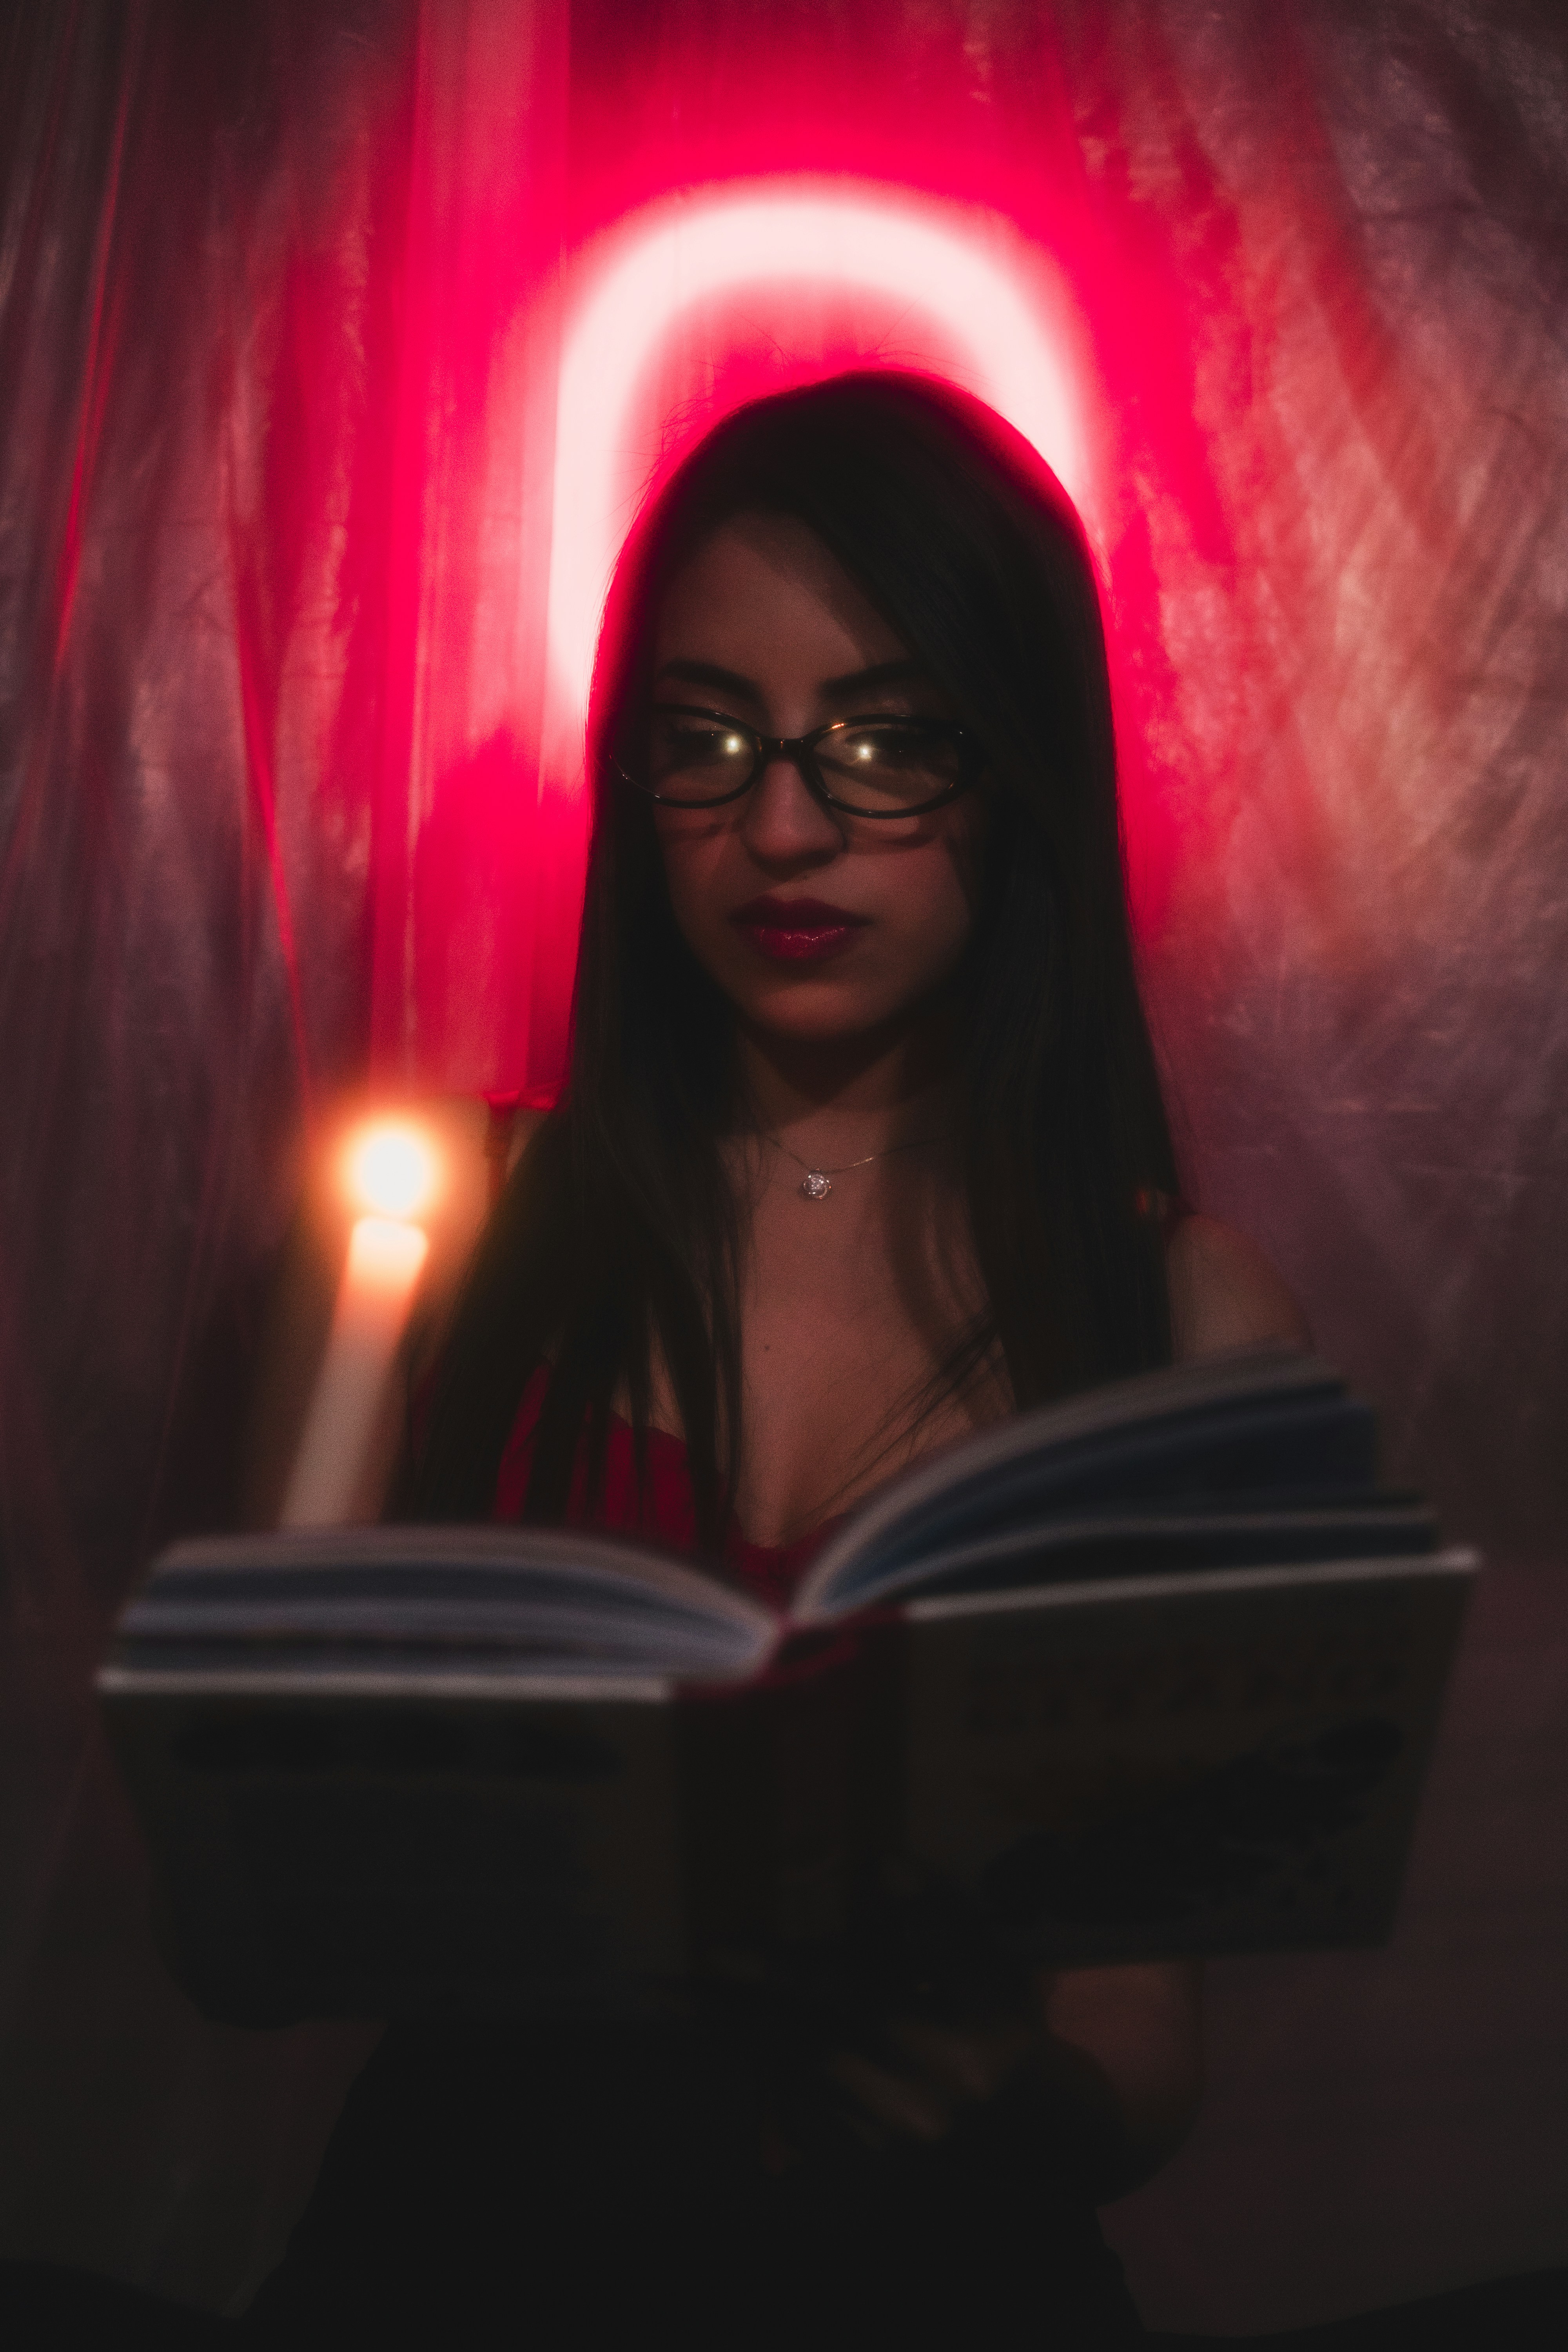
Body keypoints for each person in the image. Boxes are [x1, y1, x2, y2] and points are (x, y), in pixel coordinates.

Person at [245, 370, 1308, 2346]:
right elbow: (235, 1914)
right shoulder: (430, 1247)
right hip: (459, 2277)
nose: (785, 823)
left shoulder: (1182, 1328)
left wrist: (1008, 2086)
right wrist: (302, 1851)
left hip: (935, 2288)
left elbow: (1137, 2034)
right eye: (706, 738)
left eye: (887, 740)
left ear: (1020, 765)